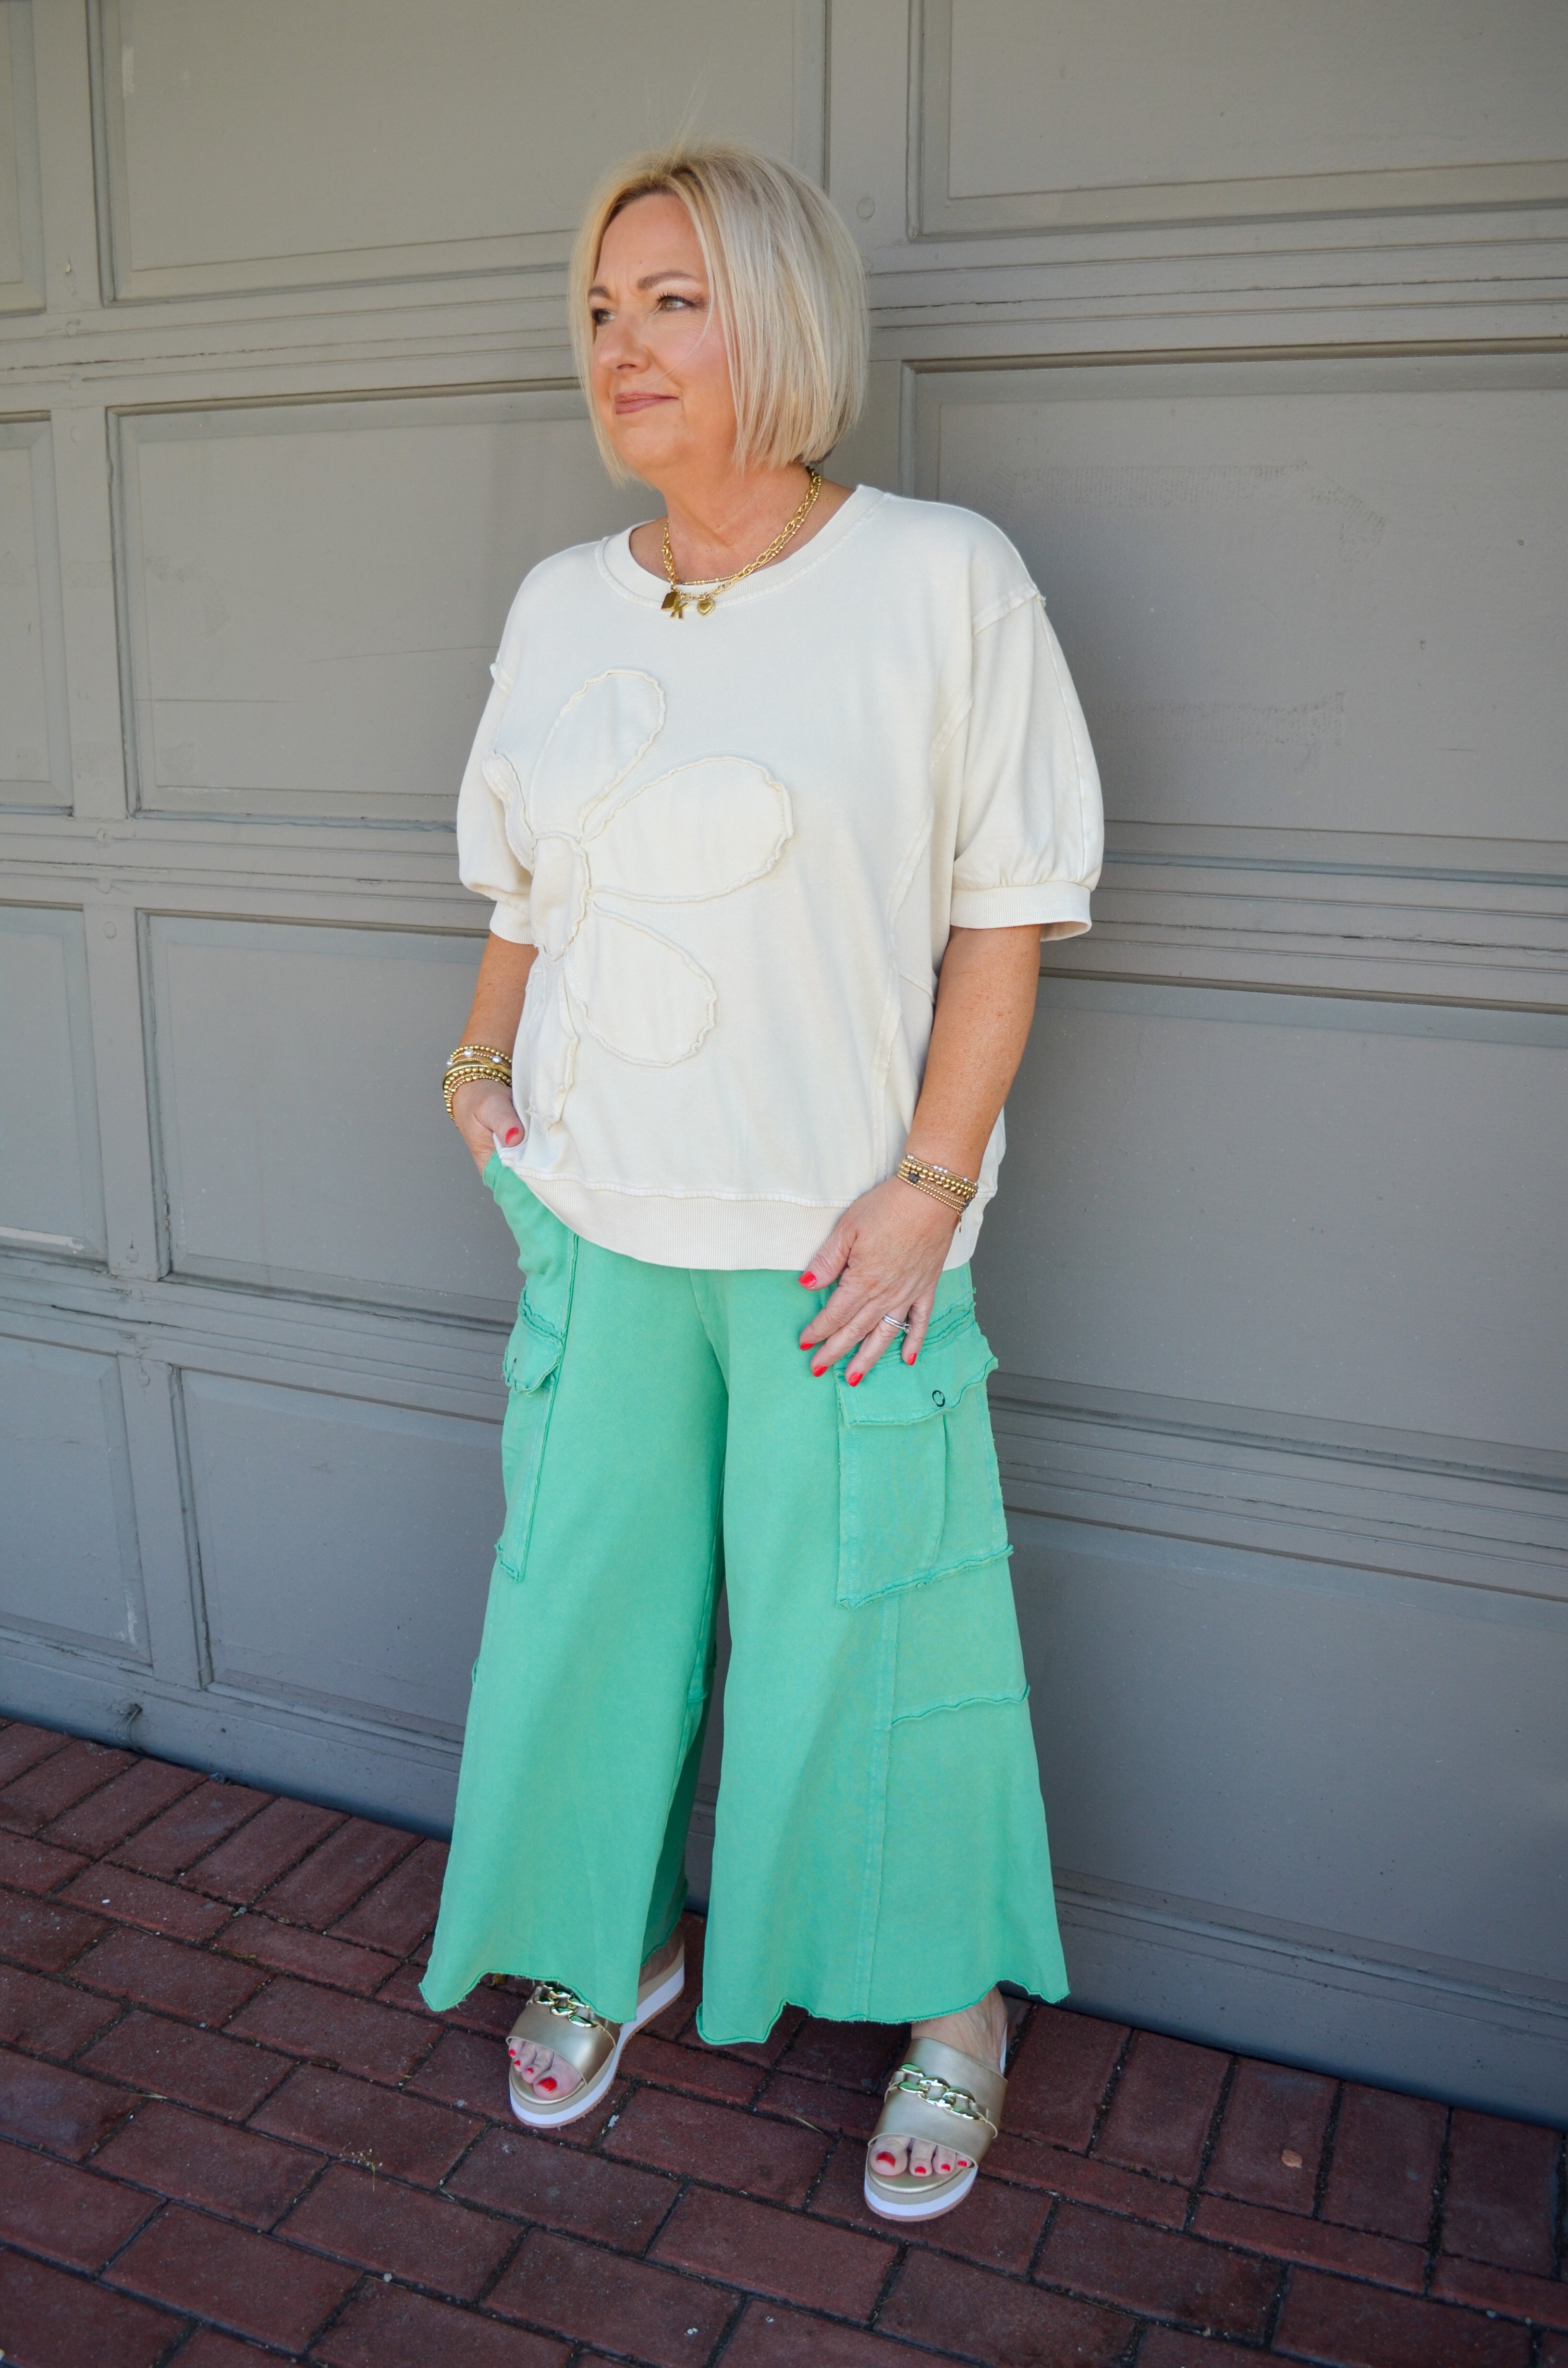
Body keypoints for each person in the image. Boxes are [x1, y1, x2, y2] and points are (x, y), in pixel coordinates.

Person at [420, 139, 1103, 2223]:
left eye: (677, 300)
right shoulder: (560, 602)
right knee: (583, 1615)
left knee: (872, 1628)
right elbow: (529, 878)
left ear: (783, 320)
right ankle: (610, 1933)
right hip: (598, 1212)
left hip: (843, 1237)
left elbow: (1008, 907)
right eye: (606, 308)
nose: (625, 344)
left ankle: (948, 2010)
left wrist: (926, 1182)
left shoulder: (938, 578)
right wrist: (471, 1057)